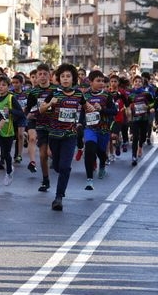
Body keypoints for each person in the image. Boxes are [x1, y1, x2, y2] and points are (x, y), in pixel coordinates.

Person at [37, 63, 85, 211]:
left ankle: (58, 197)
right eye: (63, 76)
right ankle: (57, 167)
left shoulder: (78, 94)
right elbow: (41, 110)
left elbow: (86, 107)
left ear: (73, 79)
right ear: (59, 78)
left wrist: (92, 110)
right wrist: (50, 103)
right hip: (54, 135)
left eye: (68, 76)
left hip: (70, 135)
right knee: (58, 166)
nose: (65, 79)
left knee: (65, 167)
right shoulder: (55, 93)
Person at [82, 70, 116, 190]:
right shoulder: (85, 96)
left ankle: (102, 164)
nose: (101, 83)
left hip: (103, 129)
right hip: (90, 128)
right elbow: (80, 112)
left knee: (101, 152)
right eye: (98, 81)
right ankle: (89, 180)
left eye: (102, 81)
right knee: (90, 149)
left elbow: (114, 111)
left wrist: (102, 109)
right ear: (91, 82)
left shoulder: (107, 95)